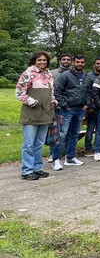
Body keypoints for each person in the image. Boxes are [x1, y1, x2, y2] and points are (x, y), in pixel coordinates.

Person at [16, 51, 56, 180]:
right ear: (34, 61)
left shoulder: (49, 75)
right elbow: (19, 92)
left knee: (39, 143)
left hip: (45, 113)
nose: (42, 62)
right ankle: (27, 170)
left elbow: (51, 92)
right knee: (28, 144)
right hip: (31, 113)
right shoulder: (28, 73)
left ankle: (37, 168)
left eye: (44, 60)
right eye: (39, 60)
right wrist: (33, 102)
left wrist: (53, 101)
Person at [52, 54, 90, 170]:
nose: (80, 64)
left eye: (82, 62)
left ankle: (70, 158)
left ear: (84, 63)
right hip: (66, 110)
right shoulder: (65, 75)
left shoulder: (86, 76)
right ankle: (56, 159)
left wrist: (87, 104)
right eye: (77, 62)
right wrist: (65, 105)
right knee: (62, 135)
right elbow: (57, 91)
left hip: (80, 110)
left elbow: (89, 91)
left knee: (74, 134)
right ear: (73, 62)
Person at [83, 57, 100, 156]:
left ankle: (98, 147)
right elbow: (86, 90)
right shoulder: (89, 76)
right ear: (94, 65)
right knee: (90, 129)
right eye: (98, 64)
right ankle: (88, 148)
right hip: (92, 107)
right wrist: (90, 105)